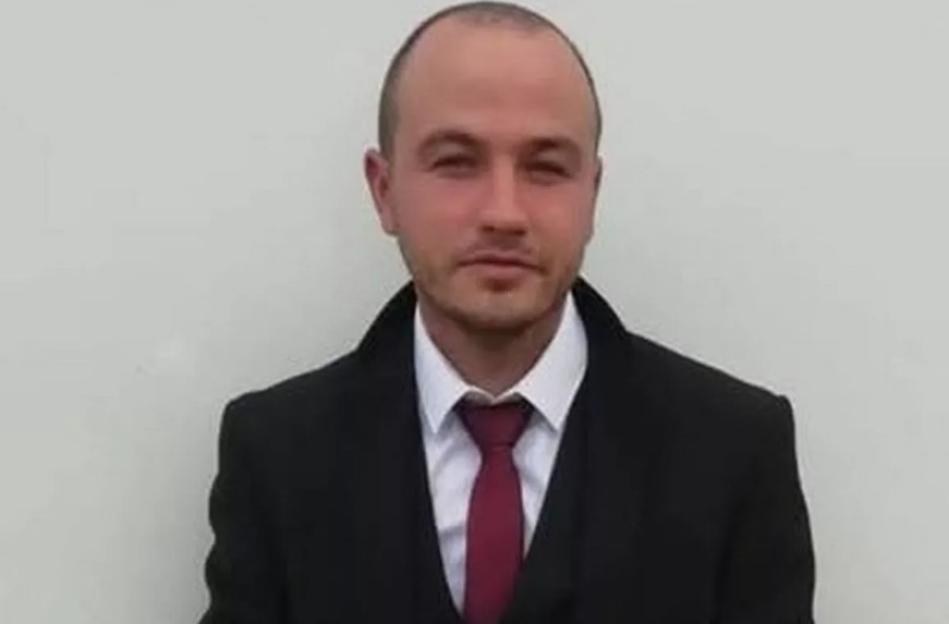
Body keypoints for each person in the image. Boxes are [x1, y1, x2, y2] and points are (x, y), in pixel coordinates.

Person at [199, 2, 816, 623]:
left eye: (545, 167)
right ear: (384, 190)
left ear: (592, 193)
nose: (503, 213)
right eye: (456, 162)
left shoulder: (734, 453)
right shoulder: (276, 457)